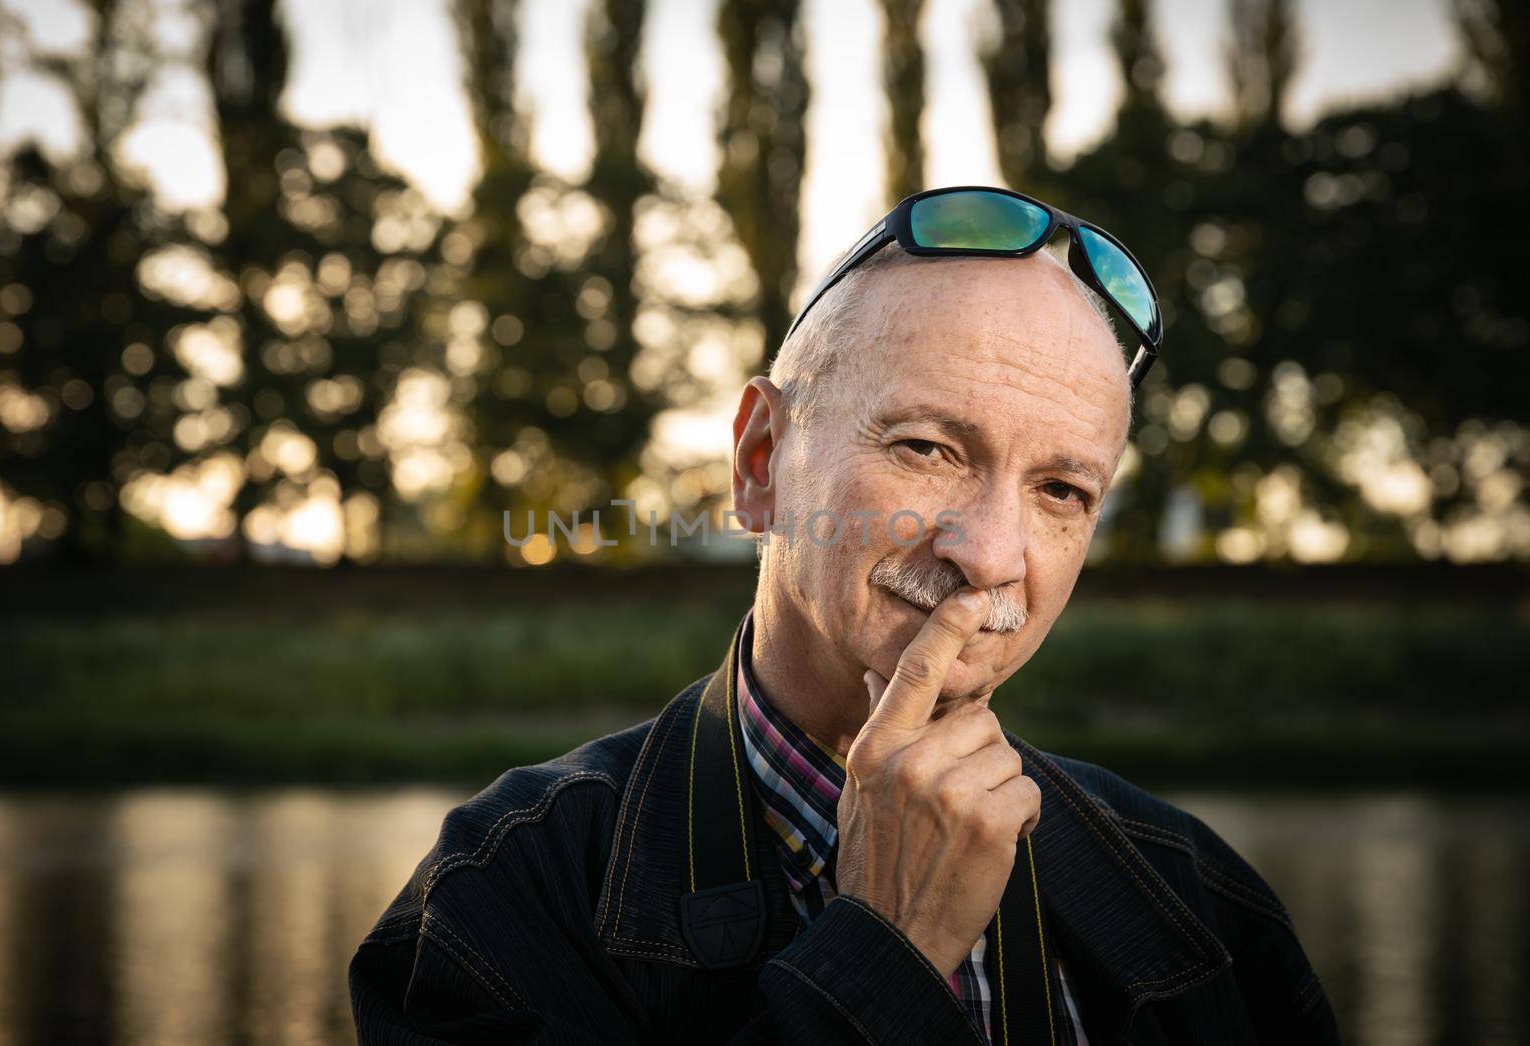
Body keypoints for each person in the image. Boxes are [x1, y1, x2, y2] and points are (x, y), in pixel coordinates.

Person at [349, 187, 1341, 1044]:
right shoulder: (508, 891)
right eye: (926, 448)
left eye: (1061, 490)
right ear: (760, 463)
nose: (989, 554)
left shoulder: (1195, 892)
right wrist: (885, 953)